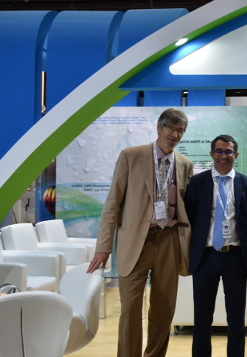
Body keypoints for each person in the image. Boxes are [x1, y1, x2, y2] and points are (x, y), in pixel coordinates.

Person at [87, 108, 193, 357]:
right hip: (135, 241)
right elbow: (112, 204)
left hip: (169, 240)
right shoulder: (131, 156)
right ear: (159, 127)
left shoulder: (185, 165)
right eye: (171, 128)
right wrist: (103, 247)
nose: (175, 135)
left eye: (180, 131)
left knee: (164, 310)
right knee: (130, 309)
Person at [185, 134, 247, 357]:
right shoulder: (197, 183)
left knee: (236, 320)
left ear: (236, 155)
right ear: (211, 154)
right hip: (205, 257)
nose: (223, 156)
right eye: (218, 151)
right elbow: (190, 218)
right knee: (202, 320)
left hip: (235, 258)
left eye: (228, 151)